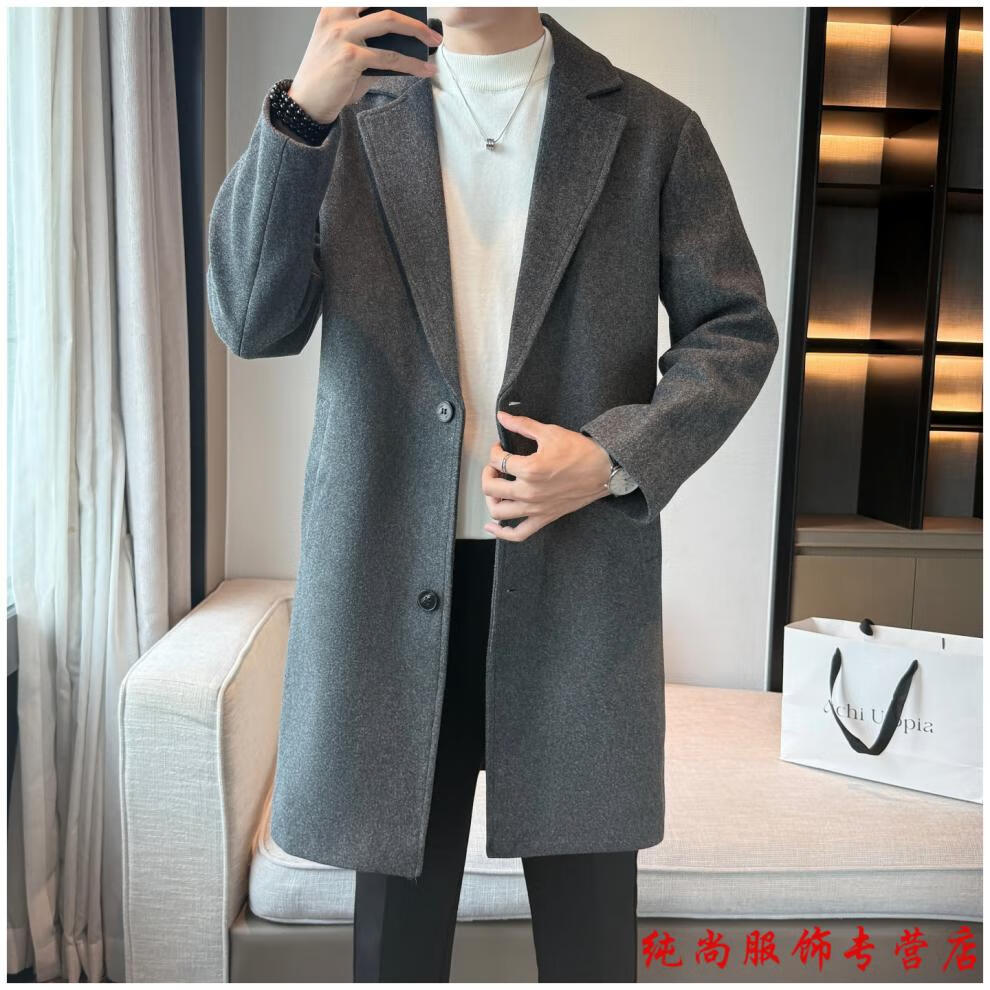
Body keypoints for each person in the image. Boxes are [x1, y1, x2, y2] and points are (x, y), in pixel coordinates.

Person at [207, 6, 778, 983]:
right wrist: (301, 114)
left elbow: (735, 329)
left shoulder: (650, 129)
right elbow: (251, 319)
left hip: (577, 599)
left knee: (592, 954)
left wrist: (610, 457)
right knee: (396, 961)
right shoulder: (348, 119)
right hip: (388, 602)